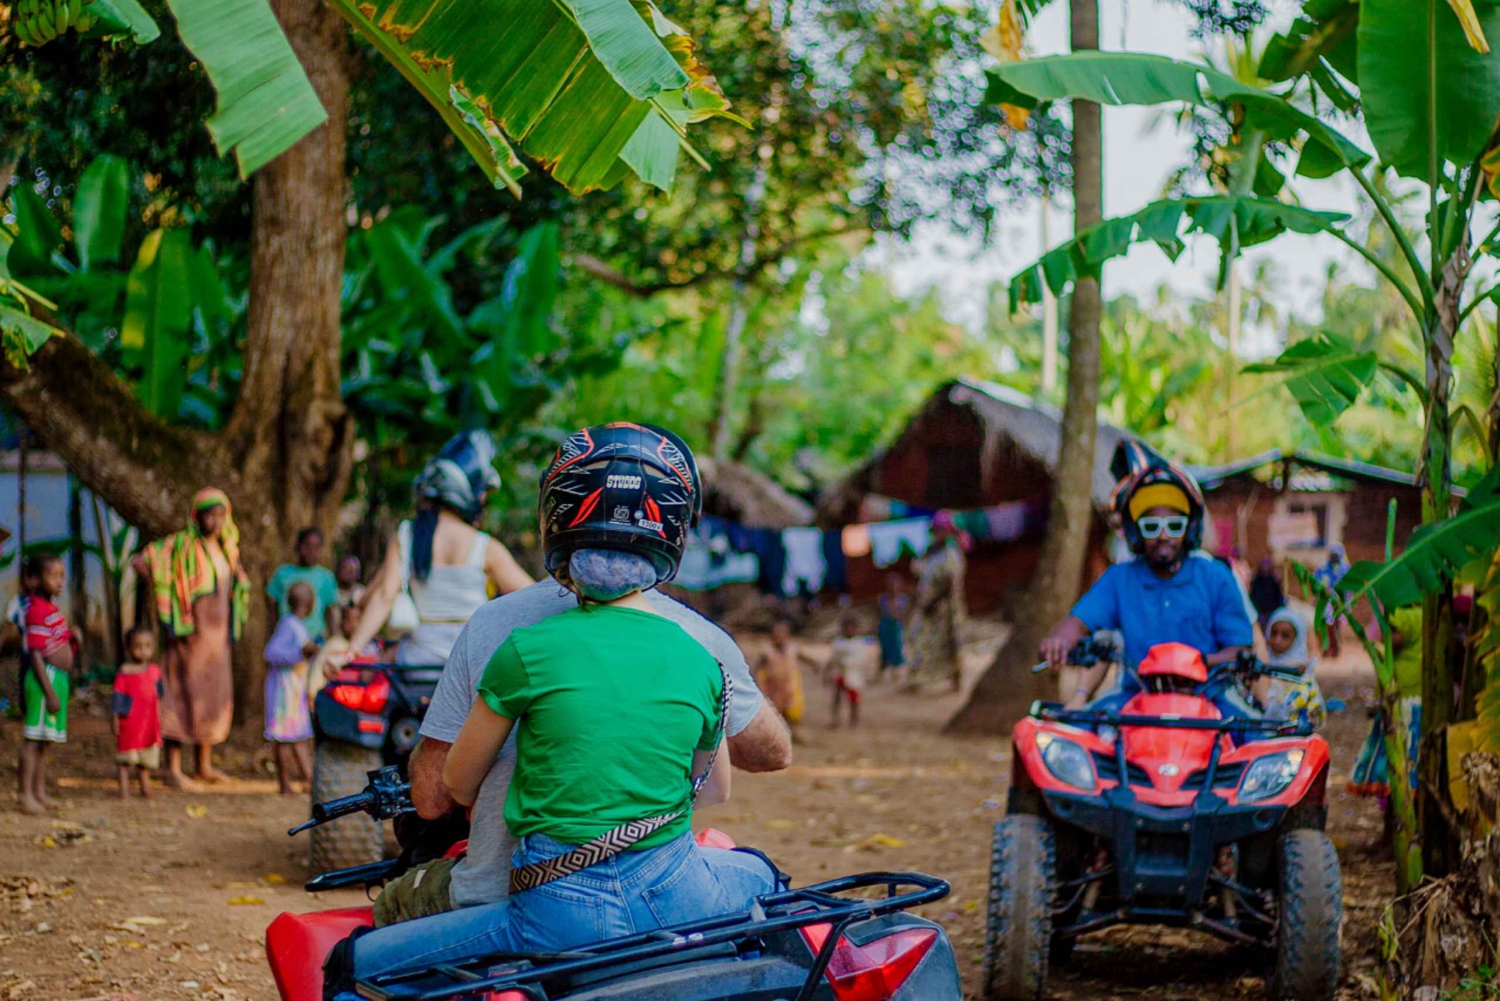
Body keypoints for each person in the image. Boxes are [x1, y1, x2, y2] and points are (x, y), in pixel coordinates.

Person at [353, 424, 788, 975]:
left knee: (367, 946)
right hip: (673, 891)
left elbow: (442, 794)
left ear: (556, 518)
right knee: (757, 871)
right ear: (676, 527)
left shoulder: (514, 638)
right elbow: (719, 785)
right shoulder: (703, 649)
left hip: (536, 903)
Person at [1038, 463, 1257, 722]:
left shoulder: (1216, 576)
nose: (1163, 536)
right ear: (1134, 532)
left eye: (1174, 525)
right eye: (1151, 527)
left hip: (1210, 697)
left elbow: (1240, 649)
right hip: (1133, 699)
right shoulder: (1119, 579)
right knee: (1069, 740)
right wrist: (1059, 641)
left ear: (1189, 529)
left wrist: (1193, 662)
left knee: (1257, 743)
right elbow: (1076, 624)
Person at [339, 431, 533, 669]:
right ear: (468, 491)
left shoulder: (407, 535)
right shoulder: (486, 547)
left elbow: (384, 596)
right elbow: (532, 597)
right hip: (471, 669)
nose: (483, 500)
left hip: (417, 666)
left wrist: (351, 652)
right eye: (482, 493)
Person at [135, 488, 251, 788]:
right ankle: (173, 769)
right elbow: (143, 560)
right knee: (179, 694)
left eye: (220, 514)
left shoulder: (228, 548)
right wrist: (169, 598)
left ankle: (203, 764)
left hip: (217, 641)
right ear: (196, 517)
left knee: (211, 698)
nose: (214, 521)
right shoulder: (181, 546)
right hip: (188, 638)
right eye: (208, 515)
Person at [18, 554, 74, 814]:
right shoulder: (36, 610)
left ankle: (38, 791)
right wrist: (49, 692)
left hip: (57, 679)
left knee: (44, 741)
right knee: (33, 739)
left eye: (62, 576)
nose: (60, 582)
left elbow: (58, 644)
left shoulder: (51, 609)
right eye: (53, 576)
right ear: (34, 580)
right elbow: (36, 654)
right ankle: (25, 795)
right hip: (45, 680)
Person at [263, 582, 318, 795]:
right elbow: (271, 653)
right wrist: (300, 653)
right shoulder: (288, 624)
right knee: (284, 738)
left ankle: (309, 778)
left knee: (300, 735)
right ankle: (284, 783)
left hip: (295, 691)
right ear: (308, 604)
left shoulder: (297, 625)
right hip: (282, 693)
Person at [905, 528, 967, 691]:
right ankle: (917, 679)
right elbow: (918, 571)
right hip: (928, 605)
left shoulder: (951, 555)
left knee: (951, 643)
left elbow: (949, 582)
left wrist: (932, 601)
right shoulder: (930, 554)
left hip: (944, 608)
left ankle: (955, 679)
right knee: (920, 640)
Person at [111, 626, 164, 799]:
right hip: (130, 722)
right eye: (138, 646)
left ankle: (145, 787)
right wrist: (115, 719)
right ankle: (124, 789)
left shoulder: (155, 671)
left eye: (148, 646)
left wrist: (162, 716)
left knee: (145, 760)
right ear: (128, 648)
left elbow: (160, 696)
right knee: (126, 759)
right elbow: (118, 698)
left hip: (149, 723)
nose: (143, 650)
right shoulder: (124, 672)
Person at [1256, 607, 1326, 729]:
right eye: (1274, 633)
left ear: (1297, 639)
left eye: (1285, 636)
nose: (1277, 640)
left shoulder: (1303, 675)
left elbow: (1316, 713)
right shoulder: (1260, 666)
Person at [266, 527, 338, 643]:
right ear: (298, 547)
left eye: (316, 547)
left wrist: (335, 641)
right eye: (307, 546)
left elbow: (330, 613)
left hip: (315, 639)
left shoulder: (326, 577)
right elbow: (273, 612)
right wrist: (271, 639)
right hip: (287, 639)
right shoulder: (282, 573)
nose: (311, 552)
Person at [755, 619, 808, 734]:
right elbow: (758, 666)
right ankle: (776, 732)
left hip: (789, 686)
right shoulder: (767, 651)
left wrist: (816, 666)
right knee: (775, 710)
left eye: (782, 634)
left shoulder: (792, 649)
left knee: (792, 710)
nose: (779, 637)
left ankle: (793, 732)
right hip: (772, 686)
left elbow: (805, 658)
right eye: (776, 634)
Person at [825, 614, 874, 727]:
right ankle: (835, 719)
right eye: (846, 628)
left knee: (854, 699)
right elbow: (833, 659)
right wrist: (827, 672)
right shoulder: (838, 643)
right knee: (837, 696)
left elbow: (862, 660)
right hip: (840, 674)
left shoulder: (859, 643)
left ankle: (854, 719)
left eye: (851, 628)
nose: (849, 630)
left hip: (853, 674)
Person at [1315, 544, 1350, 658]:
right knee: (1326, 626)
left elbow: (1349, 588)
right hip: (1327, 603)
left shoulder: (1345, 569)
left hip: (1340, 603)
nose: (1334, 557)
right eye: (1332, 555)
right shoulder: (1323, 569)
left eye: (1336, 555)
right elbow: (1316, 583)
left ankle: (1335, 649)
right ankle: (1326, 648)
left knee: (1336, 627)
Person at [876, 573, 910, 681]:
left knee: (897, 645)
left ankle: (897, 668)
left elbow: (904, 615)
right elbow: (878, 614)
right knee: (886, 647)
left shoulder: (903, 599)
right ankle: (886, 666)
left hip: (897, 626)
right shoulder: (882, 599)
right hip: (885, 626)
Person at [1248, 557, 1284, 633]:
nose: (1265, 568)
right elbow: (1253, 595)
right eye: (1263, 565)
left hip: (1272, 610)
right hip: (1259, 611)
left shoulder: (1274, 580)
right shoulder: (1256, 580)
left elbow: (1279, 596)